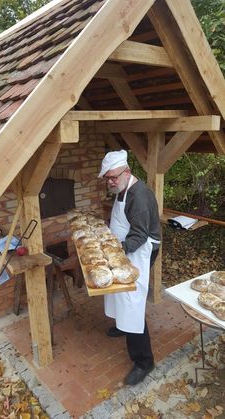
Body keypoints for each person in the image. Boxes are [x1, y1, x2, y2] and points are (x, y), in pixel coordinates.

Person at [98, 149, 161, 386]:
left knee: (132, 302)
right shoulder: (122, 188)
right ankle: (123, 325)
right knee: (118, 292)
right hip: (127, 246)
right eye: (108, 178)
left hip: (141, 250)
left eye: (114, 177)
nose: (111, 182)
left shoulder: (140, 196)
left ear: (127, 171)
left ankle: (144, 361)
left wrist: (115, 251)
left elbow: (139, 236)